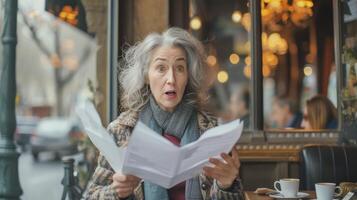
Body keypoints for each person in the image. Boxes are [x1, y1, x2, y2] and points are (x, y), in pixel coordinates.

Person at [83, 27, 244, 200]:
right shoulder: (120, 130)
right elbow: (91, 196)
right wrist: (115, 192)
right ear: (146, 76)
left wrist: (226, 186)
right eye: (161, 68)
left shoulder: (210, 130)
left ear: (188, 76)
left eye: (180, 68)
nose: (171, 79)